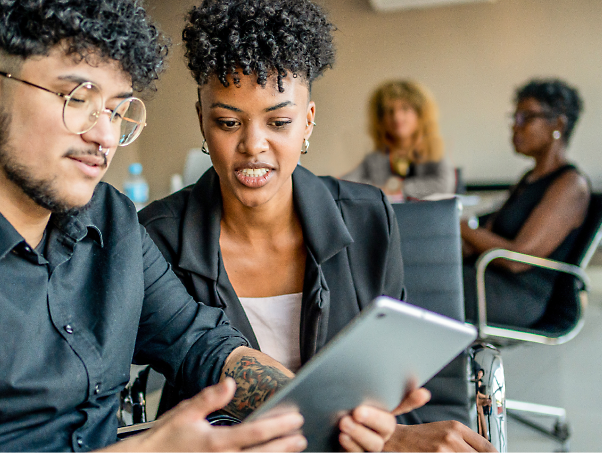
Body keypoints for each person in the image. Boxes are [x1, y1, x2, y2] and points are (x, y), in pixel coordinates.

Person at [0, 1, 427, 452]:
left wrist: (363, 425)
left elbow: (203, 346)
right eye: (76, 97)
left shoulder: (111, 223)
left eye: (118, 110)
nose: (104, 135)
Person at [139, 1, 496, 452]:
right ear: (202, 122)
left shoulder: (369, 217)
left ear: (307, 122)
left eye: (279, 122)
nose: (253, 146)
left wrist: (386, 431)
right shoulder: (158, 237)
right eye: (228, 122)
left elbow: (388, 378)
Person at [460, 78, 590, 327]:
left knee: (416, 285)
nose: (515, 128)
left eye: (526, 118)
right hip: (490, 279)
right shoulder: (529, 180)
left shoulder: (570, 185)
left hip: (519, 296)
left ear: (558, 125)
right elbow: (490, 233)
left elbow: (517, 260)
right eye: (514, 118)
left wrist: (461, 227)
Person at [342, 79, 456, 201]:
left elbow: (444, 185)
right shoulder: (376, 157)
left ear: (420, 114)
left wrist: (399, 189)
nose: (397, 117)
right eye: (390, 111)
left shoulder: (434, 150)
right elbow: (346, 183)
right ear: (381, 118)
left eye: (405, 109)